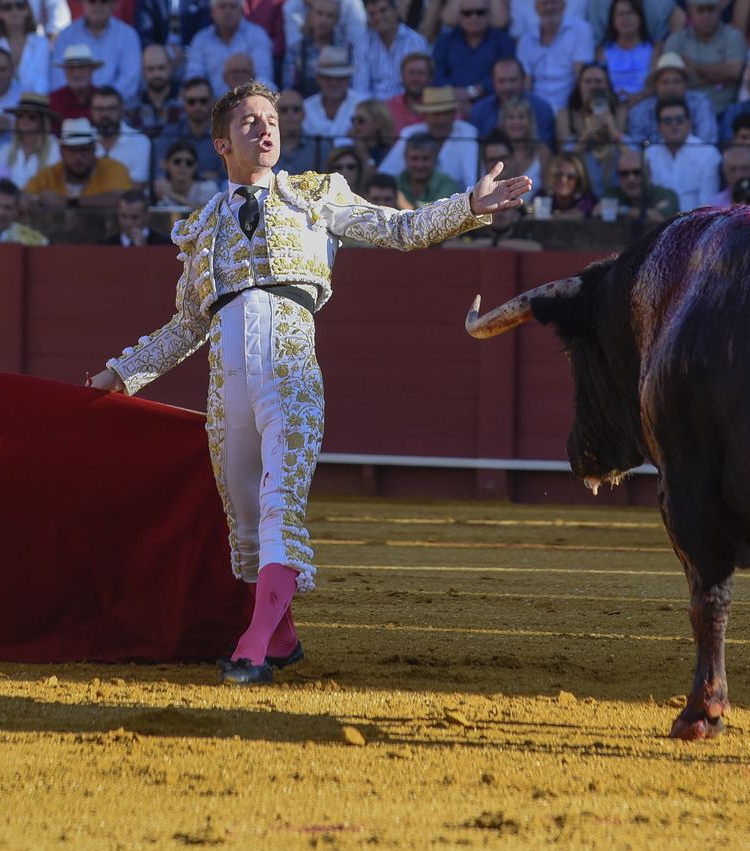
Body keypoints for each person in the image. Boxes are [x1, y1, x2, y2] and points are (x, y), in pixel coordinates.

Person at [86, 81, 527, 685]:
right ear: (222, 142)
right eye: (249, 122)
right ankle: (285, 638)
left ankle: (255, 644)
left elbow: (398, 228)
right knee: (243, 519)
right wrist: (122, 373)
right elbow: (185, 326)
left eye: (271, 119)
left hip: (291, 363)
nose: (266, 129)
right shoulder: (201, 227)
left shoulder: (314, 196)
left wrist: (469, 208)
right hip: (227, 382)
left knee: (277, 507)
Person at [375, 85, 478, 187]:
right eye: (436, 114)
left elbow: (472, 180)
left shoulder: (467, 132)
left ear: (454, 114)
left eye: (446, 113)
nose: (441, 120)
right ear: (424, 115)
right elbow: (385, 174)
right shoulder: (410, 133)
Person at [23, 116, 134, 207]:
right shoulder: (50, 175)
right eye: (72, 151)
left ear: (94, 150)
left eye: (84, 150)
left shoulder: (113, 169)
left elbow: (123, 197)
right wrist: (38, 200)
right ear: (62, 152)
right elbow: (23, 197)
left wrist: (69, 202)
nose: (78, 157)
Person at [664, 0, 747, 118]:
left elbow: (734, 71)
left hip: (725, 110)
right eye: (700, 10)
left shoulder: (733, 36)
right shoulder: (676, 40)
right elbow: (671, 79)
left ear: (719, 10)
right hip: (686, 113)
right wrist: (720, 76)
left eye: (711, 10)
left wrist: (695, 68)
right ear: (690, 12)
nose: (706, 16)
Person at [49, 0, 143, 97]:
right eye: (92, 1)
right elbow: (58, 78)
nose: (98, 6)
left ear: (114, 5)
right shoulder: (66, 36)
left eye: (104, 2)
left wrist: (104, 100)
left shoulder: (128, 35)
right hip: (73, 106)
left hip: (117, 107)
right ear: (83, 3)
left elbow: (130, 78)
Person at [516, 0, 595, 114]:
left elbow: (581, 76)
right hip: (537, 109)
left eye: (554, 2)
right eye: (545, 3)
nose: (549, 7)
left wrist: (572, 111)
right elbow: (526, 84)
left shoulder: (581, 30)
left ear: (564, 5)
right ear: (536, 8)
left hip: (570, 106)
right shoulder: (526, 39)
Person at [644, 96, 721, 210]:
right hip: (658, 222)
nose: (674, 124)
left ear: (689, 123)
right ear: (659, 127)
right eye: (668, 121)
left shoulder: (708, 153)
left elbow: (708, 205)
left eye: (679, 119)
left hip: (696, 223)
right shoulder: (649, 154)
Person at [626, 51, 719, 145]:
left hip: (697, 157)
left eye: (676, 82)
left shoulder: (700, 103)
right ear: (656, 86)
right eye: (665, 82)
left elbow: (707, 141)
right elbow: (637, 146)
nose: (670, 87)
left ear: (686, 84)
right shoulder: (641, 110)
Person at [184, 0, 274, 96]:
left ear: (242, 11)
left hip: (248, 100)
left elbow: (263, 77)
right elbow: (194, 77)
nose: (228, 11)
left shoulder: (257, 35)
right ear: (212, 12)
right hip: (210, 106)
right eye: (222, 6)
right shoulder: (201, 39)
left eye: (233, 6)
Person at [433, 0, 515, 103]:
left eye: (480, 12)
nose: (474, 17)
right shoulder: (445, 41)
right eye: (467, 13)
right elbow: (437, 72)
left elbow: (507, 73)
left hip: (492, 103)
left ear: (489, 14)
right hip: (449, 103)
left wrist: (474, 91)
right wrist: (453, 93)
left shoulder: (503, 41)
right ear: (459, 16)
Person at [468, 54, 557, 146]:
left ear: (523, 79)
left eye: (513, 80)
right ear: (493, 82)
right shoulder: (479, 111)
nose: (507, 87)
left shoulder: (542, 109)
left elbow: (546, 148)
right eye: (501, 81)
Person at [353, 0, 429, 100]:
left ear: (396, 11)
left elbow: (419, 85)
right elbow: (360, 89)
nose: (378, 17)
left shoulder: (416, 41)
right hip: (374, 110)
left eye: (383, 11)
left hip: (407, 105)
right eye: (372, 14)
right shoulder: (363, 43)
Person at [0, 0, 51, 97]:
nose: (14, 11)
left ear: (28, 10)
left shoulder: (41, 43)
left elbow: (43, 83)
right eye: (8, 7)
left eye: (20, 6)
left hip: (33, 104)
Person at [596, 143, 679, 220]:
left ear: (649, 174)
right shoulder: (612, 193)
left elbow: (659, 218)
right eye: (624, 174)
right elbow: (597, 212)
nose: (631, 178)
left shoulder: (666, 194)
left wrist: (623, 210)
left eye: (637, 172)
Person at [0, 92, 61, 186]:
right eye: (20, 116)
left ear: (42, 121)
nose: (25, 120)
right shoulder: (5, 150)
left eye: (32, 117)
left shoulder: (55, 149)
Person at [90, 84, 151, 184]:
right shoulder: (82, 140)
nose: (105, 114)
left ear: (122, 110)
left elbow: (136, 188)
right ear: (91, 111)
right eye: (99, 109)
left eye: (111, 108)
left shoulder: (140, 142)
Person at [126, 44, 180, 138]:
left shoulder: (185, 102)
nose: (156, 74)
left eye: (161, 68)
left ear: (170, 67)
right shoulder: (131, 107)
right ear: (143, 71)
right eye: (150, 69)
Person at [153, 137, 219, 206]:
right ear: (166, 164)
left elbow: (204, 211)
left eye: (189, 163)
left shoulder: (208, 187)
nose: (183, 166)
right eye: (177, 161)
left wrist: (171, 194)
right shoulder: (160, 187)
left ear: (196, 166)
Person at [49, 43, 101, 121]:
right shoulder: (53, 100)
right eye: (71, 68)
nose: (76, 73)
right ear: (65, 71)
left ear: (91, 70)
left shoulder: (103, 98)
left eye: (82, 67)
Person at [102, 188, 174, 243]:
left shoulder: (164, 244)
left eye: (135, 217)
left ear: (147, 216)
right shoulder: (105, 246)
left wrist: (144, 248)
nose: (128, 223)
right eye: (124, 216)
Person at [540, 149, 595, 215]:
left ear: (579, 179)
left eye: (571, 176)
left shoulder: (587, 199)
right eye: (558, 175)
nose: (563, 180)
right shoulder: (541, 197)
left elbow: (580, 213)